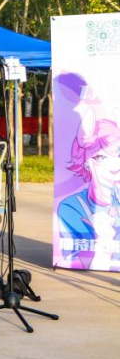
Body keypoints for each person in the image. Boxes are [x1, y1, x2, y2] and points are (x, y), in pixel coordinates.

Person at [57, 110, 120, 270]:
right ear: (85, 162)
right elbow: (74, 260)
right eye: (100, 157)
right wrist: (103, 245)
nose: (114, 165)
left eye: (118, 155)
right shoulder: (71, 207)